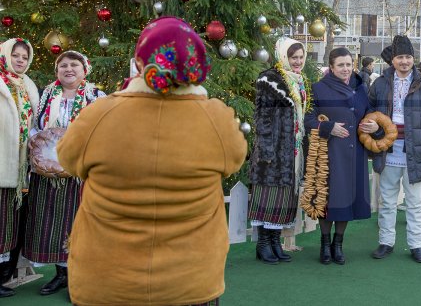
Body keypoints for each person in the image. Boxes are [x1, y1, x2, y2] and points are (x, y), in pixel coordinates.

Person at [56, 17, 247, 305]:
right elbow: (234, 161)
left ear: (139, 62)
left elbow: (68, 161)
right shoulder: (216, 118)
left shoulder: (99, 114)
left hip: (109, 280)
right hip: (190, 280)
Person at [23, 50, 104, 297]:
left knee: (79, 222)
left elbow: (105, 128)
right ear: (57, 72)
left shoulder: (97, 96)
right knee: (54, 223)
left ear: (84, 69)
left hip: (81, 172)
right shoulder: (46, 95)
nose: (69, 69)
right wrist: (39, 148)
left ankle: (80, 277)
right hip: (49, 172)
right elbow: (34, 126)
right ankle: (61, 275)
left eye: (74, 65)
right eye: (63, 66)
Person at [368, 35, 421, 263]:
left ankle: (416, 244)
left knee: (416, 201)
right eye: (400, 57)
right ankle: (386, 241)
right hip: (388, 149)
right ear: (392, 60)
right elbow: (369, 111)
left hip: (418, 150)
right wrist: (372, 128)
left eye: (408, 57)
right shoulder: (380, 83)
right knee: (387, 200)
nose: (404, 61)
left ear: (413, 59)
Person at [305, 47, 377, 265]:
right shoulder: (318, 88)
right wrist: (328, 127)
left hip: (355, 153)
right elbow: (308, 119)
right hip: (330, 153)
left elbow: (370, 114)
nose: (346, 69)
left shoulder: (361, 88)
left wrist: (374, 126)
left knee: (348, 201)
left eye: (348, 64)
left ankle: (338, 244)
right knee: (330, 198)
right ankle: (325, 244)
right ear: (331, 67)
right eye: (341, 65)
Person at [248, 37, 309, 264]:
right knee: (269, 195)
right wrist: (266, 150)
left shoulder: (299, 81)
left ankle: (274, 241)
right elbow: (262, 117)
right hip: (272, 149)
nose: (298, 62)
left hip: (291, 150)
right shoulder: (269, 79)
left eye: (301, 57)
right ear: (283, 56)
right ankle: (263, 244)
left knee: (283, 198)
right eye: (294, 57)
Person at [0, 39, 39, 298]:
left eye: (25, 57)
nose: (21, 60)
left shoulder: (29, 86)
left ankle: (4, 274)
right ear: (5, 54)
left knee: (10, 222)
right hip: (2, 160)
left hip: (20, 165)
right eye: (16, 55)